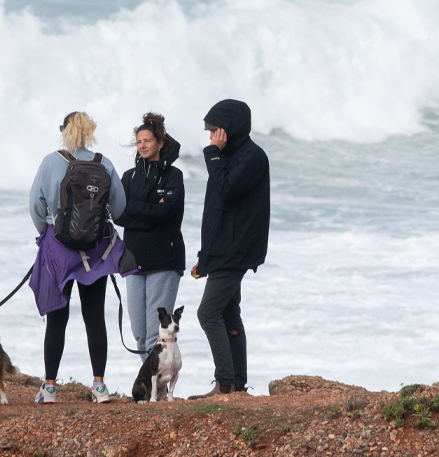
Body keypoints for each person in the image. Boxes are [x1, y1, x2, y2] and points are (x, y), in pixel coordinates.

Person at [28, 111, 126, 405]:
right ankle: (99, 387)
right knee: (95, 317)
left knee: (57, 318)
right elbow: (119, 209)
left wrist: (48, 233)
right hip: (95, 252)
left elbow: (35, 206)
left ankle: (49, 389)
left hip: (59, 249)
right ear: (90, 132)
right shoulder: (103, 163)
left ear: (63, 131)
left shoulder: (50, 161)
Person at [189, 99, 270, 397]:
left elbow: (226, 190)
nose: (211, 139)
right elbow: (215, 213)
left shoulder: (252, 157)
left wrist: (212, 154)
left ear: (228, 129)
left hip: (237, 250)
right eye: (209, 134)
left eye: (214, 132)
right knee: (228, 314)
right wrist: (205, 257)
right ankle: (236, 384)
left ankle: (224, 382)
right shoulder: (228, 157)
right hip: (222, 250)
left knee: (207, 313)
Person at [119, 112, 185, 359]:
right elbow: (117, 214)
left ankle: (156, 390)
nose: (143, 145)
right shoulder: (128, 177)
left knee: (155, 334)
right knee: (139, 333)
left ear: (160, 143)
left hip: (164, 260)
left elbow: (165, 212)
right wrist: (150, 214)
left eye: (147, 140)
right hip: (133, 259)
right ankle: (150, 389)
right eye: (139, 142)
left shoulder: (173, 176)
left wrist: (133, 208)